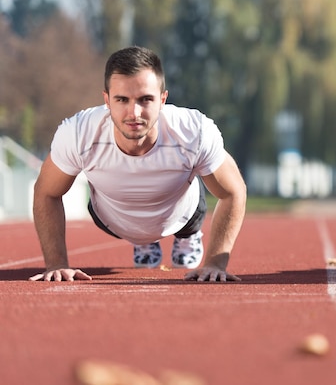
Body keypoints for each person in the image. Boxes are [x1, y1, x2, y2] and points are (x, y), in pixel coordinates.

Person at [29, 46, 247, 282]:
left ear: (163, 99)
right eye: (122, 99)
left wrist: (215, 263)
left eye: (145, 99)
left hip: (181, 213)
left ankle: (189, 236)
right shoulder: (78, 133)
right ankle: (144, 241)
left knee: (197, 200)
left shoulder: (193, 132)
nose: (134, 113)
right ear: (107, 100)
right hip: (112, 219)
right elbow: (46, 192)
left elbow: (233, 191)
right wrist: (57, 264)